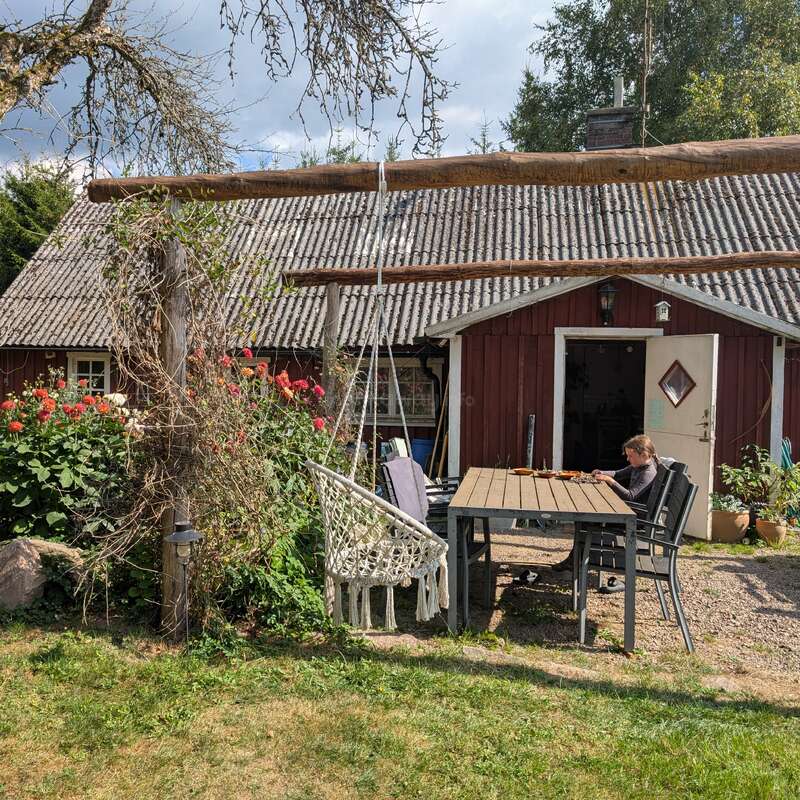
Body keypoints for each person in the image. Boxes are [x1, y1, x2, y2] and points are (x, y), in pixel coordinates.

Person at [551, 435, 660, 590]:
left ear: (644, 455)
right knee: (585, 516)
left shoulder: (647, 472)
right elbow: (618, 473)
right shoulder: (638, 466)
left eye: (630, 456)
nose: (628, 459)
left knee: (587, 518)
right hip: (629, 511)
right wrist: (602, 473)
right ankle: (576, 559)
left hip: (634, 519)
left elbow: (630, 495)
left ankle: (578, 560)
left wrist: (610, 481)